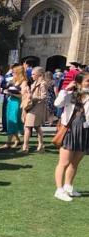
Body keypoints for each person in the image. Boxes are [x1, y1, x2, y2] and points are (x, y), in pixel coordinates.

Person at [53, 72, 89, 202]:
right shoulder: (70, 95)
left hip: (85, 131)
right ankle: (59, 189)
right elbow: (57, 104)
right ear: (79, 83)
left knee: (75, 162)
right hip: (70, 130)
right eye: (87, 81)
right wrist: (66, 89)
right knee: (64, 163)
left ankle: (68, 186)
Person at [1, 65, 27, 149]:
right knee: (10, 121)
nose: (12, 73)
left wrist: (11, 93)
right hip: (10, 101)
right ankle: (17, 140)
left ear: (18, 73)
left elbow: (23, 95)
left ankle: (8, 142)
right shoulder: (14, 81)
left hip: (17, 103)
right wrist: (7, 91)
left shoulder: (24, 82)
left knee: (14, 121)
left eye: (14, 72)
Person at [21, 66, 47, 153]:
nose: (31, 76)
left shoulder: (43, 83)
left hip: (37, 107)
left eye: (33, 74)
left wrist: (33, 97)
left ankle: (25, 146)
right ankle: (41, 144)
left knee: (28, 126)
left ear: (39, 74)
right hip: (32, 106)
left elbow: (44, 96)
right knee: (36, 127)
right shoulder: (35, 82)